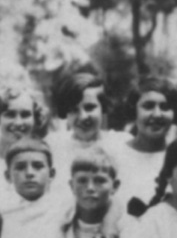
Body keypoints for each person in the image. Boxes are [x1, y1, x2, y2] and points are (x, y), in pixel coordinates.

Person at [49, 65, 131, 202]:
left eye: (89, 107)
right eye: (74, 110)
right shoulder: (54, 144)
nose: (83, 117)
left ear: (103, 108)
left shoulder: (121, 143)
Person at [0, 84, 49, 209]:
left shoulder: (45, 160)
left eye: (25, 114)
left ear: (35, 118)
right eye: (10, 114)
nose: (18, 122)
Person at [122, 77, 177, 214]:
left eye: (165, 107)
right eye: (148, 106)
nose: (157, 114)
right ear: (134, 110)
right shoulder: (115, 155)